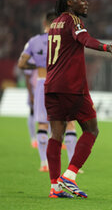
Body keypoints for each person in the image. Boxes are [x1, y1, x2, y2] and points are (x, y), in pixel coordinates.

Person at [44, 0, 112, 199]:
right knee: (92, 130)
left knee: (56, 136)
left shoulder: (55, 24)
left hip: (52, 87)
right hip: (71, 87)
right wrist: (106, 47)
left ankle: (54, 187)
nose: (86, 2)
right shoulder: (72, 20)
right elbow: (85, 40)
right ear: (69, 2)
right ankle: (69, 175)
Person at [18, 12, 80, 173]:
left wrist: (38, 66)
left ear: (44, 22)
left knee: (43, 124)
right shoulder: (65, 40)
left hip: (41, 83)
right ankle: (72, 165)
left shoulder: (33, 41)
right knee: (70, 123)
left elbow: (21, 63)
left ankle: (44, 163)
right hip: (61, 84)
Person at [23, 61, 38, 148]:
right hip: (34, 90)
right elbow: (27, 78)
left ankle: (49, 138)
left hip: (44, 90)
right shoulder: (31, 59)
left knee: (48, 115)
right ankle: (33, 139)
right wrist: (31, 94)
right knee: (32, 112)